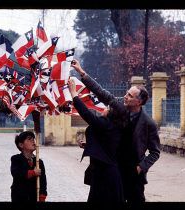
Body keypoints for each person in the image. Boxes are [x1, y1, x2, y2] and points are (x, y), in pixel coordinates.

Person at [71, 59, 161, 206]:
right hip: (114, 167)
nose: (125, 96)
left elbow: (155, 152)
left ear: (139, 102)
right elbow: (101, 92)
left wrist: (141, 167)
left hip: (133, 172)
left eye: (130, 96)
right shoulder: (120, 106)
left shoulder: (148, 124)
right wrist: (81, 72)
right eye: (127, 93)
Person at [68, 78, 126, 206]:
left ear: (111, 113)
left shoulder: (106, 124)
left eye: (108, 107)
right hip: (106, 173)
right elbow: (106, 145)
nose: (104, 108)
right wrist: (88, 146)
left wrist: (74, 94)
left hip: (106, 175)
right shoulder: (114, 126)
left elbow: (87, 115)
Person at [10, 131, 47, 203]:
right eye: (29, 139)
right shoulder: (16, 159)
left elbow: (43, 181)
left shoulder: (39, 162)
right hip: (19, 197)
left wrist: (42, 195)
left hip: (34, 197)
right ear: (21, 145)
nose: (33, 140)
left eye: (33, 139)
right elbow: (16, 174)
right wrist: (33, 172)